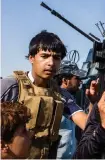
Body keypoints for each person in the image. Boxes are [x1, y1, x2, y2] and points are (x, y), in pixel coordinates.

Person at [0, 30, 91, 159]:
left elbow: (85, 123)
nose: (51, 63)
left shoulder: (60, 94)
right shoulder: (10, 86)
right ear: (32, 58)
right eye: (44, 56)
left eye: (56, 58)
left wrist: (95, 104)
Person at [54, 60, 97, 159]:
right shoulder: (61, 96)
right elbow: (87, 124)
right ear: (65, 80)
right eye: (76, 78)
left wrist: (92, 101)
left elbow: (87, 123)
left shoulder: (68, 97)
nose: (80, 82)